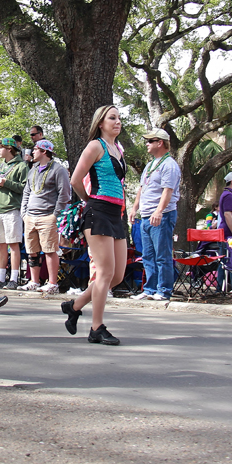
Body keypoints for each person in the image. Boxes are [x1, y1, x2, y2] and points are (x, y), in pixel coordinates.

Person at [60, 106, 129, 346]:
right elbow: (75, 180)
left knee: (116, 276)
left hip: (116, 214)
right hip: (98, 212)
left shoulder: (118, 149)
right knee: (104, 273)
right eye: (112, 118)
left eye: (119, 118)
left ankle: (74, 306)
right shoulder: (95, 146)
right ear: (100, 123)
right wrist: (90, 201)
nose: (117, 122)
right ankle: (96, 328)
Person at [130, 128, 181, 302]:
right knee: (148, 255)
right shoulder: (150, 165)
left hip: (162, 215)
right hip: (145, 216)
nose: (147, 144)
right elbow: (141, 189)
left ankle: (164, 290)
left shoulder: (169, 165)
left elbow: (168, 190)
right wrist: (134, 208)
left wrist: (159, 211)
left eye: (150, 141)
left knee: (162, 255)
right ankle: (150, 289)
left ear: (160, 143)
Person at [18, 139, 71, 294]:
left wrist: (55, 215)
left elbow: (64, 193)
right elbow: (27, 191)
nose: (32, 152)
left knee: (50, 249)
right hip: (30, 216)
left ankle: (52, 283)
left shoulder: (58, 169)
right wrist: (24, 213)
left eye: (35, 149)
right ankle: (34, 281)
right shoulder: (33, 169)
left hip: (48, 216)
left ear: (44, 151)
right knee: (32, 251)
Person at [0, 138, 28, 290]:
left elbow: (24, 188)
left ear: (9, 149)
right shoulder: (0, 166)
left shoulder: (21, 166)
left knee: (13, 244)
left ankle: (13, 278)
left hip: (12, 209)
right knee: (1, 244)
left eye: (1, 148)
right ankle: (0, 278)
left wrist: (7, 183)